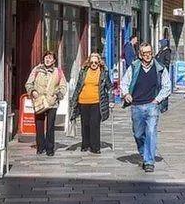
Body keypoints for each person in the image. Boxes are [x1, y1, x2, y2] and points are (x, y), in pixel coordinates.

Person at [121, 42, 172, 172]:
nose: (148, 55)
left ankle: (149, 161)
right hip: (136, 105)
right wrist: (126, 94)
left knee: (150, 132)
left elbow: (167, 86)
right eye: (145, 53)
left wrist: (157, 99)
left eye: (150, 53)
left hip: (152, 105)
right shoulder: (134, 66)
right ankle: (145, 154)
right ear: (140, 54)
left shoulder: (160, 67)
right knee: (138, 134)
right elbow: (124, 82)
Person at [24, 51, 67, 156]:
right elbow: (29, 83)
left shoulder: (58, 72)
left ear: (54, 60)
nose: (47, 59)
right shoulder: (36, 70)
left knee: (50, 125)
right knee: (39, 125)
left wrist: (58, 95)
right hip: (39, 101)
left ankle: (50, 148)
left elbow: (63, 86)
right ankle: (40, 147)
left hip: (52, 102)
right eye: (46, 57)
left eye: (50, 58)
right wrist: (32, 91)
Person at [69, 52, 112, 154]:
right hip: (83, 101)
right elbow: (79, 85)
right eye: (92, 62)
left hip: (97, 101)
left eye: (96, 62)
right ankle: (85, 144)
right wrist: (73, 100)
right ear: (88, 62)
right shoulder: (84, 71)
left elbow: (109, 87)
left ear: (99, 62)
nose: (93, 64)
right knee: (85, 124)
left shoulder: (103, 72)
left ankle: (95, 147)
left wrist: (111, 100)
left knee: (95, 124)